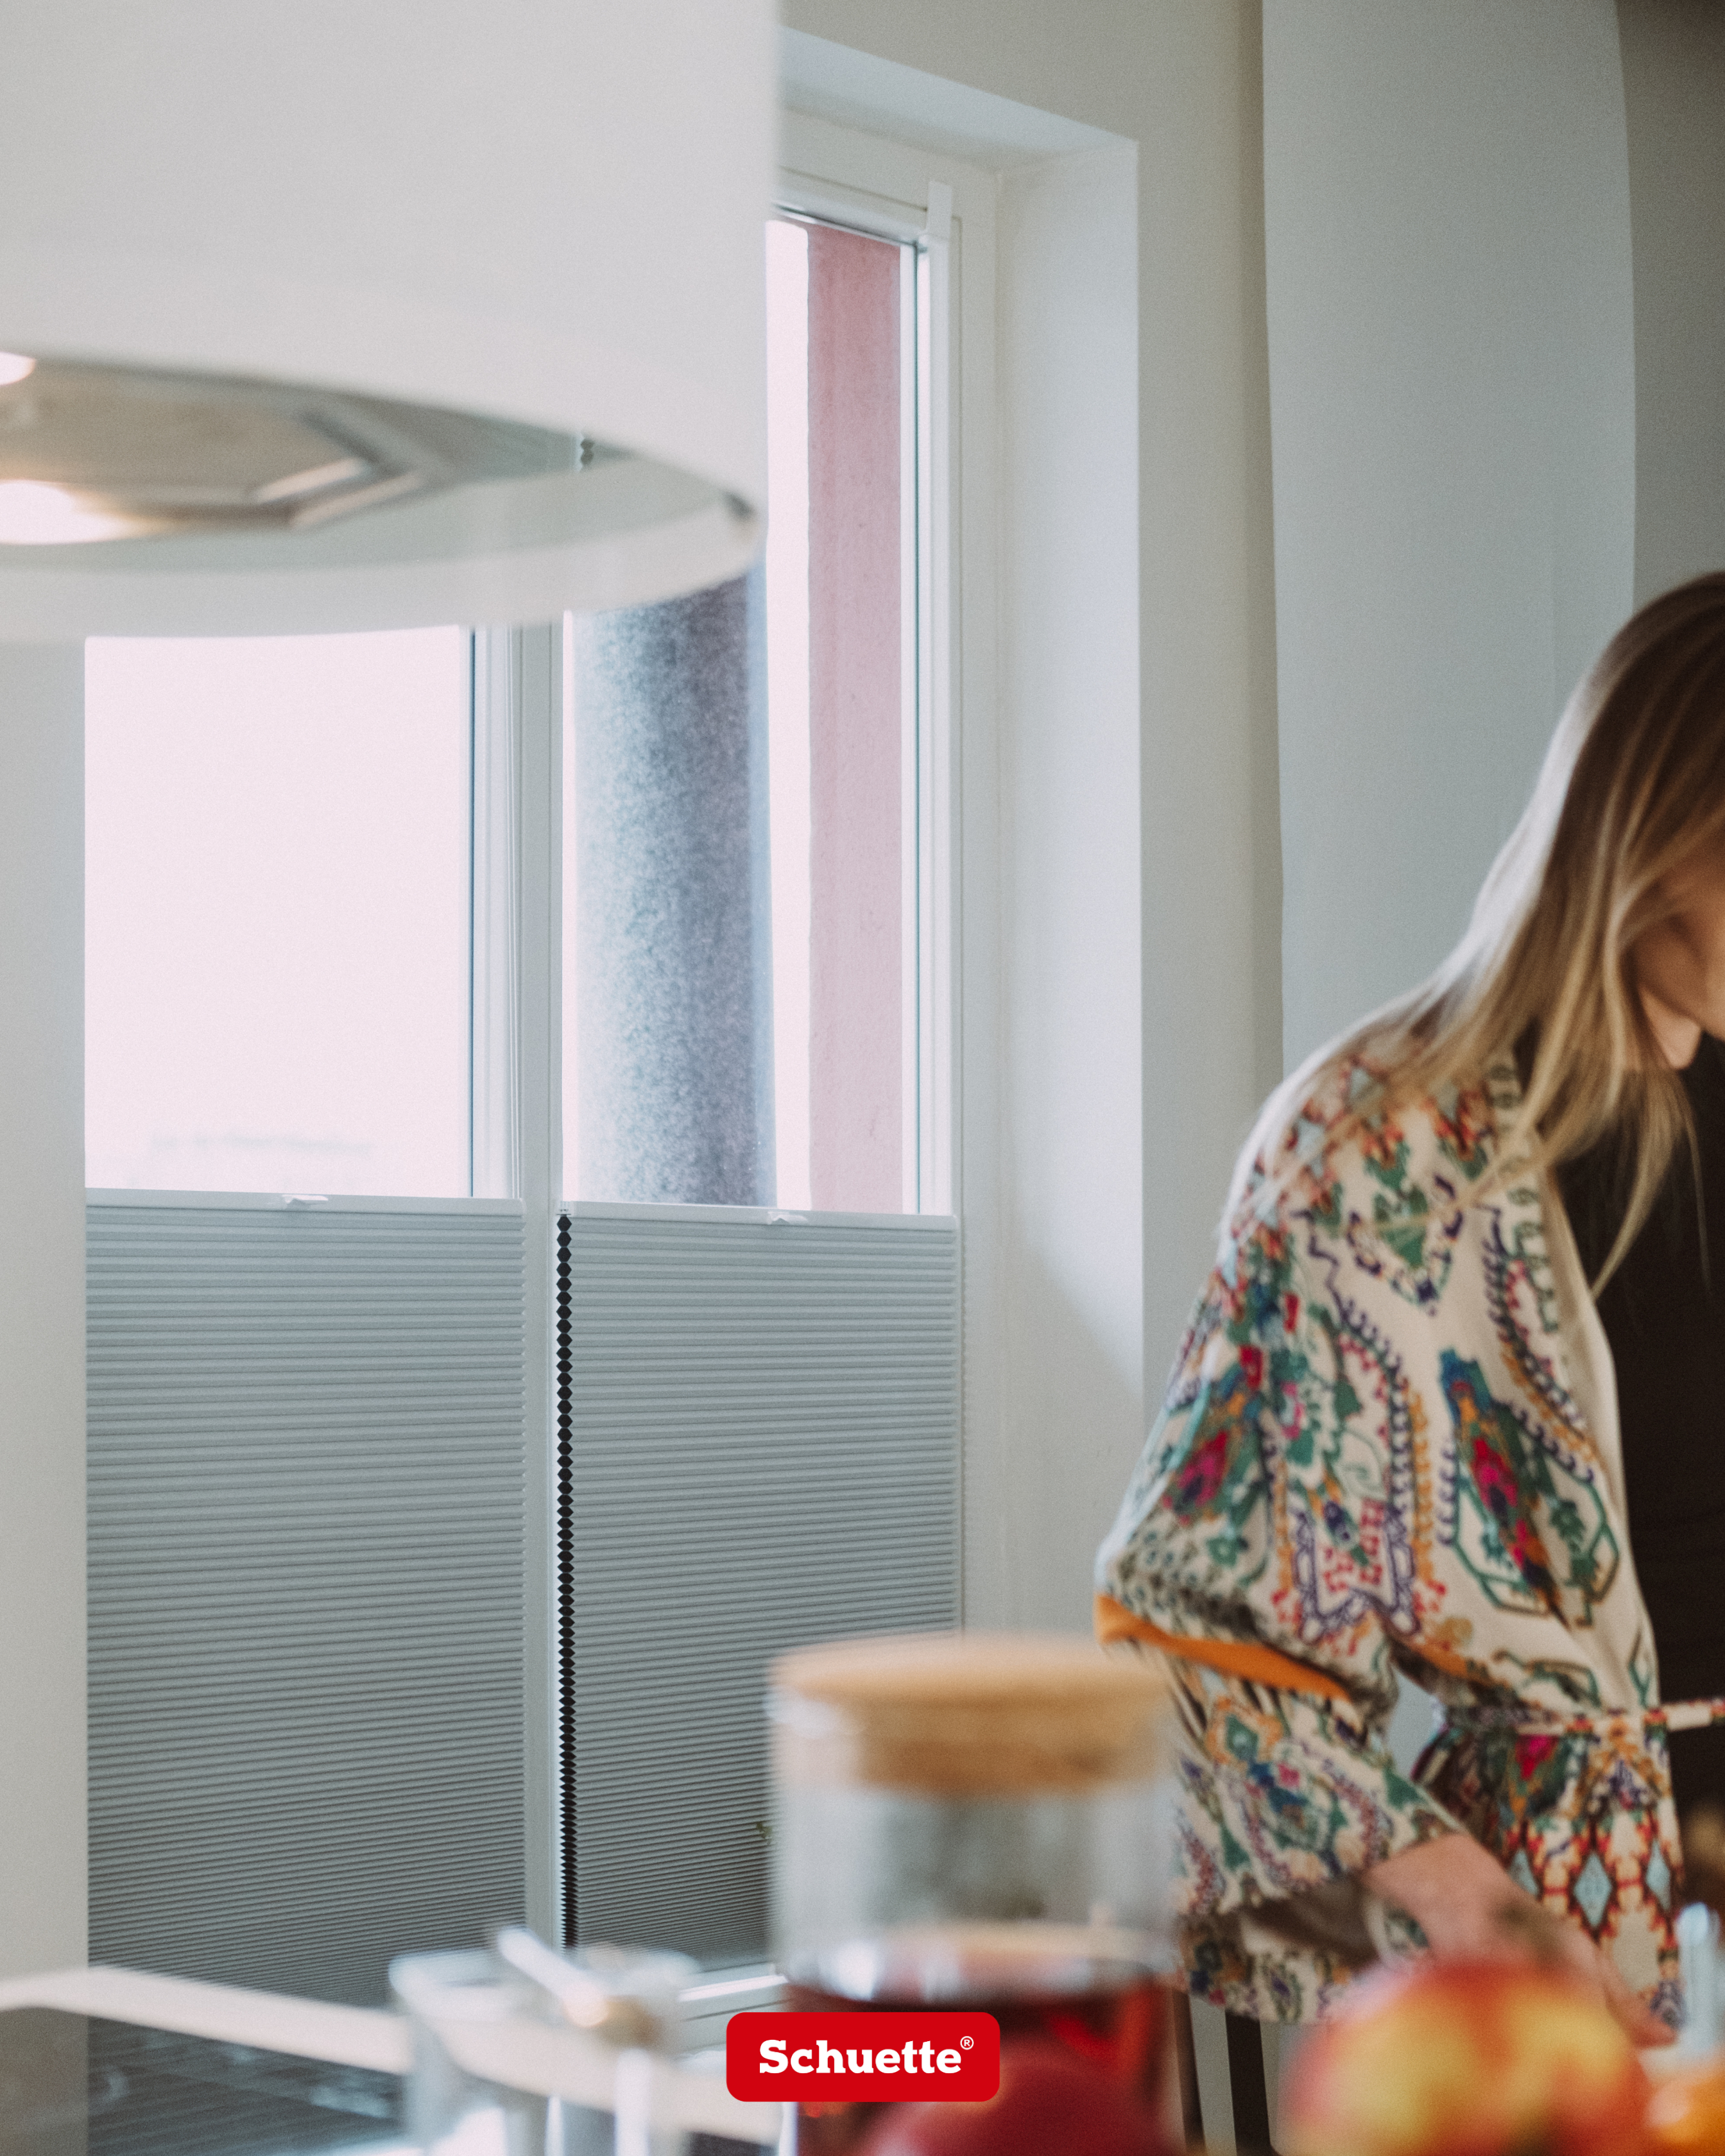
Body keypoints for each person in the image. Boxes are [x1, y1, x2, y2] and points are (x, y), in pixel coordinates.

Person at [1096, 572, 1725, 2042]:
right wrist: (1501, 1943)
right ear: (1656, 812)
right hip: (1582, 1983)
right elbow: (1199, 1664)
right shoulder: (1385, 1144)